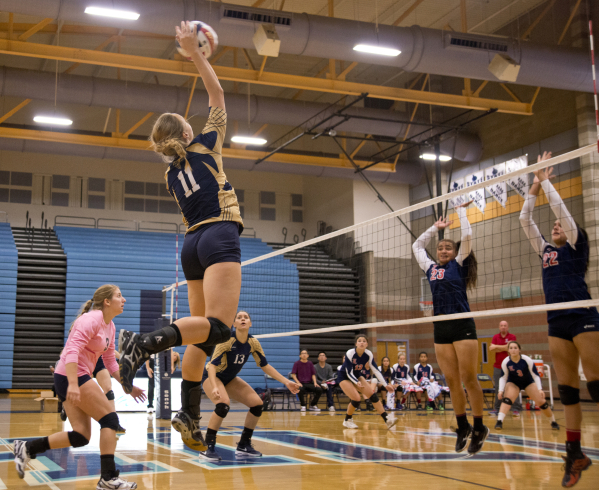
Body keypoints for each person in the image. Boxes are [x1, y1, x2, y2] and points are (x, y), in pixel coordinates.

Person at [117, 22, 244, 452]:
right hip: (219, 236)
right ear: (187, 134)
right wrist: (196, 55)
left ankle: (188, 412)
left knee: (202, 334)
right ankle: (142, 344)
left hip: (192, 245)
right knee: (222, 326)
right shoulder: (206, 145)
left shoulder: (170, 172)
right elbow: (219, 97)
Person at [13, 285, 145, 489]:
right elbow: (72, 349)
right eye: (119, 296)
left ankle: (27, 448)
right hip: (70, 375)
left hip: (71, 376)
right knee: (110, 419)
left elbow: (110, 362)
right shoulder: (91, 319)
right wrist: (74, 384)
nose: (124, 299)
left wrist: (129, 386)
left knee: (81, 436)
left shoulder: (109, 325)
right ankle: (108, 478)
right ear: (107, 302)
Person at [519, 151, 599, 487]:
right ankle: (575, 454)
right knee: (568, 392)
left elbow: (563, 213)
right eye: (552, 226)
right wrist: (535, 185)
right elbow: (525, 220)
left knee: (595, 385)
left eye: (559, 226)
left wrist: (547, 181)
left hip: (582, 316)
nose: (555, 227)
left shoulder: (577, 245)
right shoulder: (546, 251)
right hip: (556, 322)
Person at [412, 201, 488, 454]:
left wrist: (462, 212)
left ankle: (479, 426)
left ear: (455, 252)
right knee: (452, 380)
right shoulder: (431, 268)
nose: (443, 250)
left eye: (448, 247)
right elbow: (416, 246)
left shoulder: (460, 263)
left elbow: (467, 235)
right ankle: (462, 425)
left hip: (462, 325)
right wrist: (435, 228)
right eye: (440, 247)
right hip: (440, 328)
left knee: (468, 378)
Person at [199, 311, 299, 460]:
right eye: (239, 317)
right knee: (223, 404)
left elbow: (265, 366)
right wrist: (214, 386)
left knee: (257, 403)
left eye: (245, 317)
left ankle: (244, 444)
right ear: (234, 324)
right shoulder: (227, 340)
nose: (243, 319)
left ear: (250, 323)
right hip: (212, 376)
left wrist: (286, 381)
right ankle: (208, 447)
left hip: (230, 378)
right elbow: (212, 366)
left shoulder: (253, 343)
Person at [494, 341, 559, 431]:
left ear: (519, 350)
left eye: (515, 348)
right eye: (511, 348)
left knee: (541, 402)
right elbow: (503, 377)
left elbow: (535, 375)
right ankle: (499, 421)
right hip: (513, 383)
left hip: (527, 382)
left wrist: (540, 389)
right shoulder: (506, 361)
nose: (513, 350)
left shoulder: (526, 360)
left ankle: (553, 421)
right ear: (508, 350)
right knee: (507, 399)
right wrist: (500, 390)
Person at [338, 335, 397, 430]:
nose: (362, 342)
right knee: (356, 398)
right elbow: (349, 372)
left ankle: (387, 419)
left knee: (372, 394)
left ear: (367, 344)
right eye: (359, 341)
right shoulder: (350, 353)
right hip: (344, 376)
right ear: (356, 343)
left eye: (364, 341)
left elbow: (376, 370)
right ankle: (347, 420)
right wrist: (356, 382)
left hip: (357, 375)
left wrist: (386, 385)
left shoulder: (368, 354)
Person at [490, 321, 522, 415]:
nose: (503, 327)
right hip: (498, 366)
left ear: (507, 327)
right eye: (501, 326)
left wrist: (496, 346)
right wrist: (505, 347)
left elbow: (510, 347)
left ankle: (516, 408)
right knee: (498, 388)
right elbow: (491, 349)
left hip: (511, 365)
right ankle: (497, 408)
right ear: (499, 327)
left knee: (514, 386)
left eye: (505, 326)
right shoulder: (496, 337)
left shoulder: (512, 337)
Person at [145, 350, 181, 414]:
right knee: (151, 385)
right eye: (175, 355)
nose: (175, 357)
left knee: (163, 386)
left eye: (176, 357)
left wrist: (172, 366)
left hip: (163, 363)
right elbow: (146, 353)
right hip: (153, 362)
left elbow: (170, 350)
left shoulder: (168, 349)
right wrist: (148, 368)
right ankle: (150, 405)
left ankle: (163, 407)